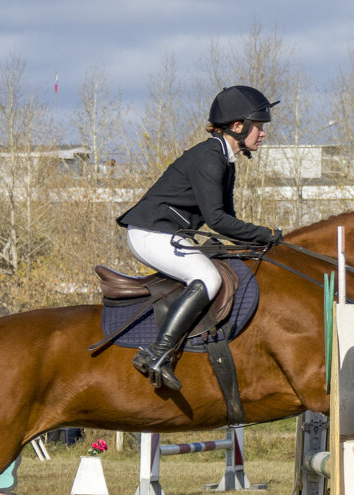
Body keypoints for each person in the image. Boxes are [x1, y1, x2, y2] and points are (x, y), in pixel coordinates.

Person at [116, 85, 283, 391]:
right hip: (151, 232)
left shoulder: (225, 159)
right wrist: (266, 234)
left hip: (167, 231)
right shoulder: (209, 157)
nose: (262, 134)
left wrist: (257, 242)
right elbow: (218, 221)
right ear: (237, 126)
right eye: (258, 127)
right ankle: (157, 353)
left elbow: (226, 218)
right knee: (208, 278)